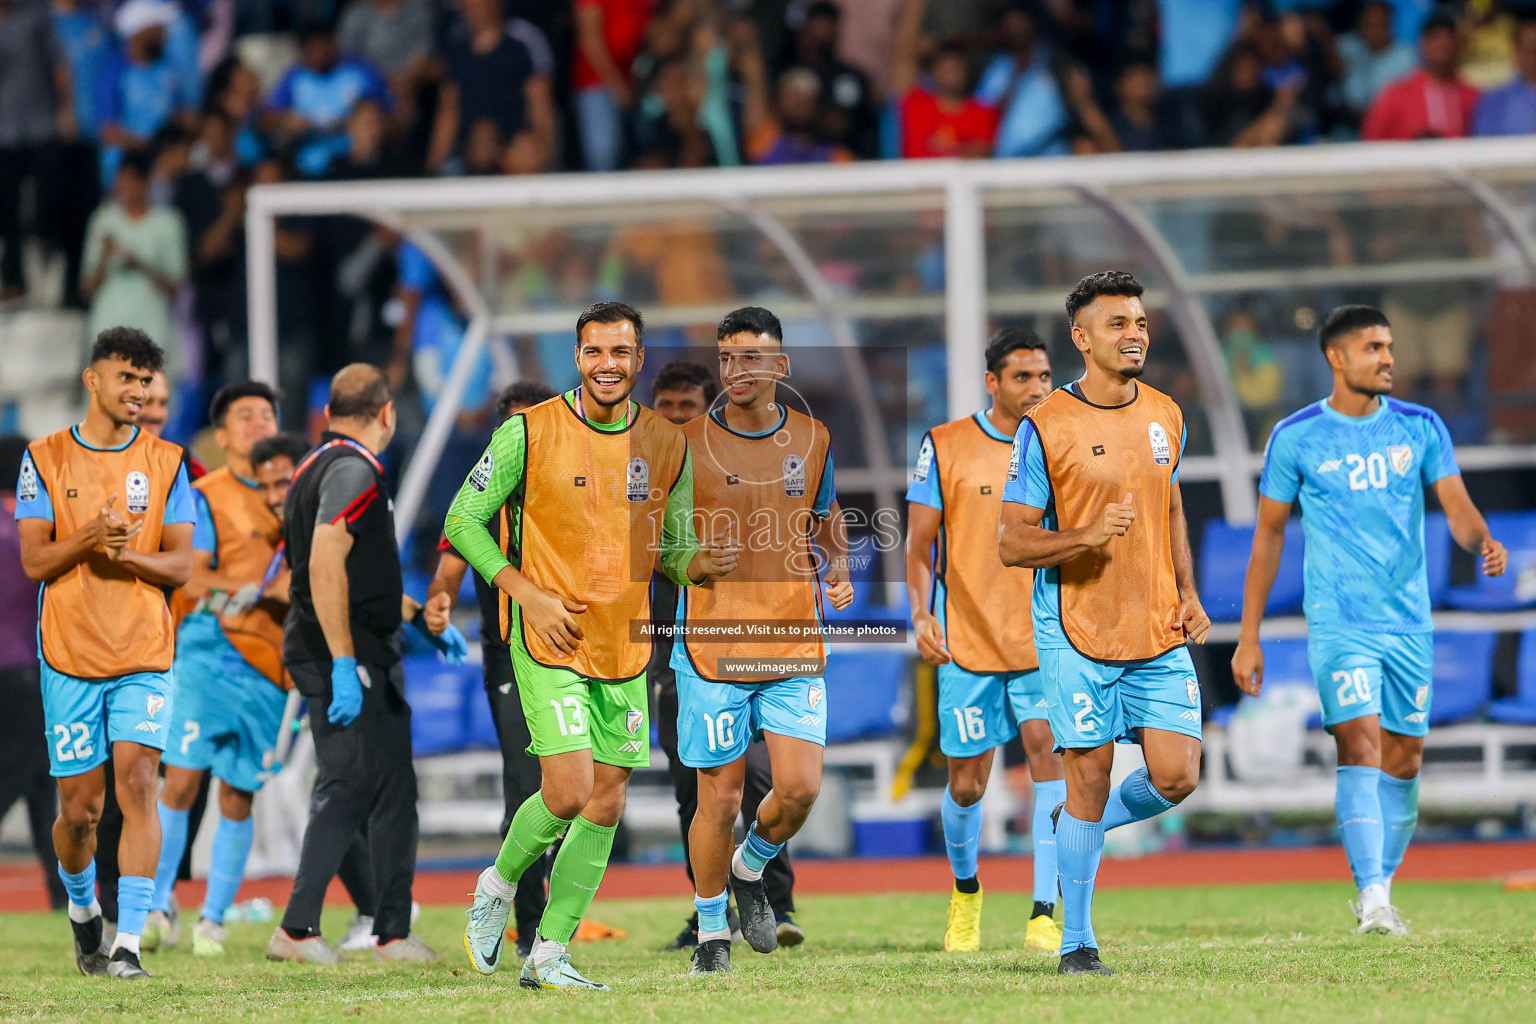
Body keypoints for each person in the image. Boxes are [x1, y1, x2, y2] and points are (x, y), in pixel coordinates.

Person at [453, 301, 738, 990]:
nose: (607, 365)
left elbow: (671, 547)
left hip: (626, 643)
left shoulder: (668, 444)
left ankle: (550, 953)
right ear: (576, 357)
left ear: (638, 360)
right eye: (594, 352)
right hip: (548, 636)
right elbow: (464, 519)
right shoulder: (529, 431)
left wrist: (702, 563)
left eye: (620, 353)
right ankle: (497, 885)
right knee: (572, 788)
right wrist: (527, 594)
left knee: (608, 801)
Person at [1231, 305, 1506, 937]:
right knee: (1360, 743)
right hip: (1339, 621)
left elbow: (1457, 507)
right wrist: (1248, 636)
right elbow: (1268, 537)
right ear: (1337, 357)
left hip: (1408, 622)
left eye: (1389, 346)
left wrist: (1482, 541)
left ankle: (1379, 882)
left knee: (1404, 760)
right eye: (1374, 347)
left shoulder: (1421, 425)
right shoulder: (1296, 436)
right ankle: (1375, 898)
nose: (1388, 357)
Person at [998, 271, 1211, 977]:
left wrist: (1188, 590)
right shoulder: (1046, 426)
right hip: (1074, 627)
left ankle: (1073, 835)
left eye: (1141, 322)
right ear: (1081, 338)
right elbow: (1013, 541)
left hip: (1154, 625)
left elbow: (1170, 506)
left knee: (1179, 775)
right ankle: (1077, 942)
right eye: (1118, 324)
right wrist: (1085, 535)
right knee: (1086, 774)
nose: (1136, 334)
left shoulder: (1166, 414)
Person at [676, 307, 853, 975]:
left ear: (780, 366)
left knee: (800, 789)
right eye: (727, 359)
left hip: (791, 639)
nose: (736, 371)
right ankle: (711, 931)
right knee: (717, 799)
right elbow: (653, 538)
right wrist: (692, 560)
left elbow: (825, 515)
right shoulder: (685, 441)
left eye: (751, 358)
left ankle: (751, 869)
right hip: (711, 645)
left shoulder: (813, 437)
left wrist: (836, 566)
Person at [15, 327, 196, 979]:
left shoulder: (169, 461)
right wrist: (90, 537)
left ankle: (127, 943)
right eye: (127, 377)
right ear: (92, 380)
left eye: (146, 381)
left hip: (144, 649)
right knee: (80, 811)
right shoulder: (45, 457)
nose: (139, 392)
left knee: (141, 781)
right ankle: (84, 908)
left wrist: (130, 555)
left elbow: (182, 565)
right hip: (69, 655)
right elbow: (35, 559)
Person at [267, 365, 436, 964]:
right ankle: (296, 928)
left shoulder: (315, 465)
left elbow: (357, 574)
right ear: (386, 412)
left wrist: (411, 614)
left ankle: (390, 931)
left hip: (360, 648)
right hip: (341, 653)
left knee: (392, 788)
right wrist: (343, 661)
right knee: (345, 783)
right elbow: (324, 562)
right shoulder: (354, 470)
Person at [906, 327, 1064, 955]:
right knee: (967, 784)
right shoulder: (946, 445)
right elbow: (919, 547)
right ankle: (967, 892)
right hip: (966, 640)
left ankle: (1046, 910)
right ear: (992, 381)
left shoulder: (1061, 442)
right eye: (1023, 377)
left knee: (1051, 765)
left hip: (1040, 639)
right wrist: (921, 614)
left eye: (1045, 376)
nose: (1036, 389)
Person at [647, 359, 800, 952]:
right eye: (666, 405)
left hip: (758, 638)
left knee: (766, 779)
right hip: (677, 648)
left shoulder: (725, 460)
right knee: (696, 783)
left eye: (687, 405)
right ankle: (706, 909)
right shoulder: (650, 468)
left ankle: (771, 896)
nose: (676, 415)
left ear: (708, 407)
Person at [146, 382, 287, 956]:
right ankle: (157, 906)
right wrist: (257, 590)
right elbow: (189, 575)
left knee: (239, 793)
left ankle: (214, 920)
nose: (259, 422)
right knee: (179, 780)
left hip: (268, 661)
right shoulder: (204, 496)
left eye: (267, 413)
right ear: (223, 435)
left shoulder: (293, 495)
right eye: (246, 415)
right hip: (208, 650)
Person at [423, 380, 558, 957]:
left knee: (589, 791)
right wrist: (439, 602)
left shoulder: (571, 487)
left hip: (577, 652)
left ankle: (548, 920)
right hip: (510, 654)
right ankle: (529, 928)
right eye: (514, 426)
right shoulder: (485, 496)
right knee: (527, 785)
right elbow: (452, 561)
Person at [0, 434, 68, 911]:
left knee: (44, 785)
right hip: (27, 669)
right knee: (15, 777)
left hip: (15, 670)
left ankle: (62, 894)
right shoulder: (27, 530)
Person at [81, 153, 188, 380]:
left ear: (144, 182)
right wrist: (104, 257)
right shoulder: (103, 221)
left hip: (152, 328)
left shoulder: (167, 222)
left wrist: (139, 263)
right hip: (108, 327)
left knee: (150, 404)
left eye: (131, 180)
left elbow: (175, 287)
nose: (125, 187)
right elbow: (87, 289)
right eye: (121, 180)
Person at [428, 0, 554, 175]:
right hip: (466, 150)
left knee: (525, 152)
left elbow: (541, 107)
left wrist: (539, 148)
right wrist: (433, 167)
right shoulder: (456, 45)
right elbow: (448, 111)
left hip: (511, 146)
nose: (475, 8)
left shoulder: (524, 41)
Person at [263, 23, 391, 178]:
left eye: (321, 48)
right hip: (309, 154)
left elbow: (388, 111)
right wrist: (286, 122)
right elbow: (269, 117)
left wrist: (364, 123)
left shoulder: (358, 70)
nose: (318, 55)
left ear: (332, 43)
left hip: (354, 153)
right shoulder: (294, 77)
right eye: (312, 50)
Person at [891, 0, 998, 161]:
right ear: (934, 72)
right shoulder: (916, 105)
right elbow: (903, 56)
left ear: (966, 70)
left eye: (956, 68)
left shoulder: (982, 113)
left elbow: (983, 153)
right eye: (946, 68)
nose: (952, 74)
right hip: (919, 184)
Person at [1363, 13, 1479, 141]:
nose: (1442, 44)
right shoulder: (1395, 95)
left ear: (1458, 45)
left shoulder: (1472, 96)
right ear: (1422, 44)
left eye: (1448, 38)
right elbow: (1371, 142)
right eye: (1434, 38)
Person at [1473, 19, 1536, 137]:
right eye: (1529, 48)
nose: (1533, 55)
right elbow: (1482, 147)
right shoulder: (1494, 101)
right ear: (1517, 51)